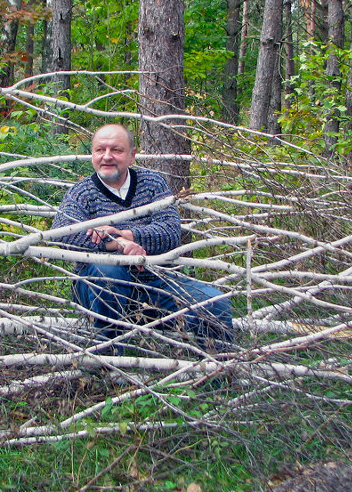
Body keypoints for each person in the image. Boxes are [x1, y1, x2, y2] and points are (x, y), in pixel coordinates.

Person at [51, 124, 233, 351]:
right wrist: (118, 244)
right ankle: (109, 363)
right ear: (92, 155)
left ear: (132, 156)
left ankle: (219, 375)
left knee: (215, 303)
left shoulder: (152, 183)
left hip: (156, 280)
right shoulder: (82, 192)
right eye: (100, 150)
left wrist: (129, 234)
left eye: (116, 150)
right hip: (99, 286)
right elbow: (61, 234)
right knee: (108, 271)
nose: (107, 157)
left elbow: (170, 232)